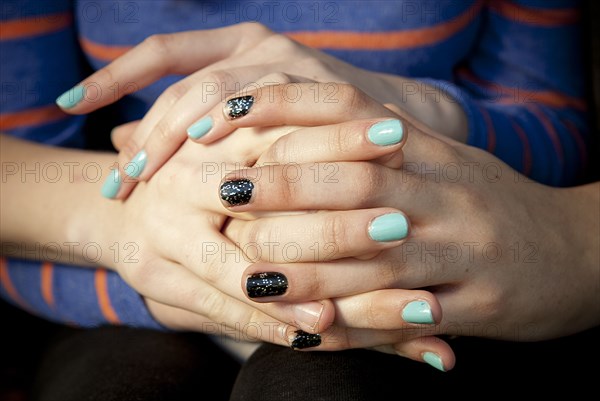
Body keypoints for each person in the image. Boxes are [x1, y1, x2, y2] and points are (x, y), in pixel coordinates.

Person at [1, 0, 597, 399]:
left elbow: (554, 128)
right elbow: (24, 189)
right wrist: (159, 260)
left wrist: (428, 112)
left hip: (423, 254)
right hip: (142, 257)